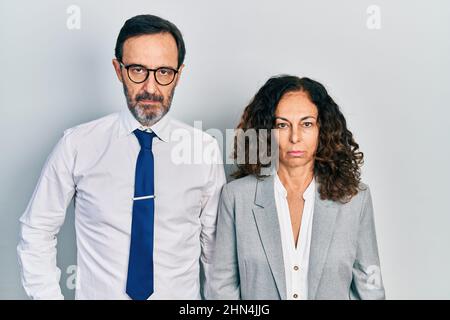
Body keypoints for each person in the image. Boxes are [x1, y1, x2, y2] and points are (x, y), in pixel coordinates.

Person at [17, 14, 226, 300]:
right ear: (118, 69)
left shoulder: (204, 150)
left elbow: (216, 253)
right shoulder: (77, 145)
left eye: (164, 72)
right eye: (138, 70)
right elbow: (37, 230)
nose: (151, 88)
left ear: (178, 74)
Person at [210, 75, 385, 300]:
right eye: (282, 125)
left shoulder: (355, 199)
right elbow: (221, 290)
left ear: (323, 129)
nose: (295, 137)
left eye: (307, 124)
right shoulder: (236, 197)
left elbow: (370, 289)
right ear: (266, 131)